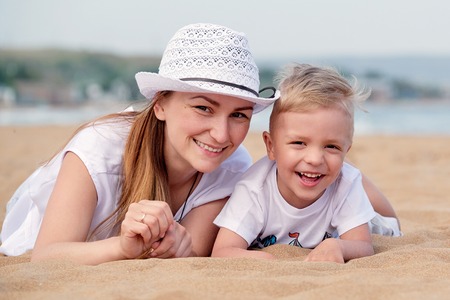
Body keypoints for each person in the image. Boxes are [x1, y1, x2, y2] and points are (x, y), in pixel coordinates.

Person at [0, 23, 280, 264]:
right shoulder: (100, 147)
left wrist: (180, 247)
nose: (221, 134)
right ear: (160, 105)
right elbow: (46, 255)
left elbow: (192, 248)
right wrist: (122, 247)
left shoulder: (232, 166)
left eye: (239, 115)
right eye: (203, 108)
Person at [212, 63, 402, 263]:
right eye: (299, 143)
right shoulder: (254, 188)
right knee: (346, 176)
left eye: (331, 147)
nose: (314, 159)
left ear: (346, 150)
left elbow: (363, 246)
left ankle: (360, 180)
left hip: (370, 219)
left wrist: (337, 245)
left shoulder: (345, 185)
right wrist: (267, 261)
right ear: (271, 146)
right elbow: (224, 250)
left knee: (382, 214)